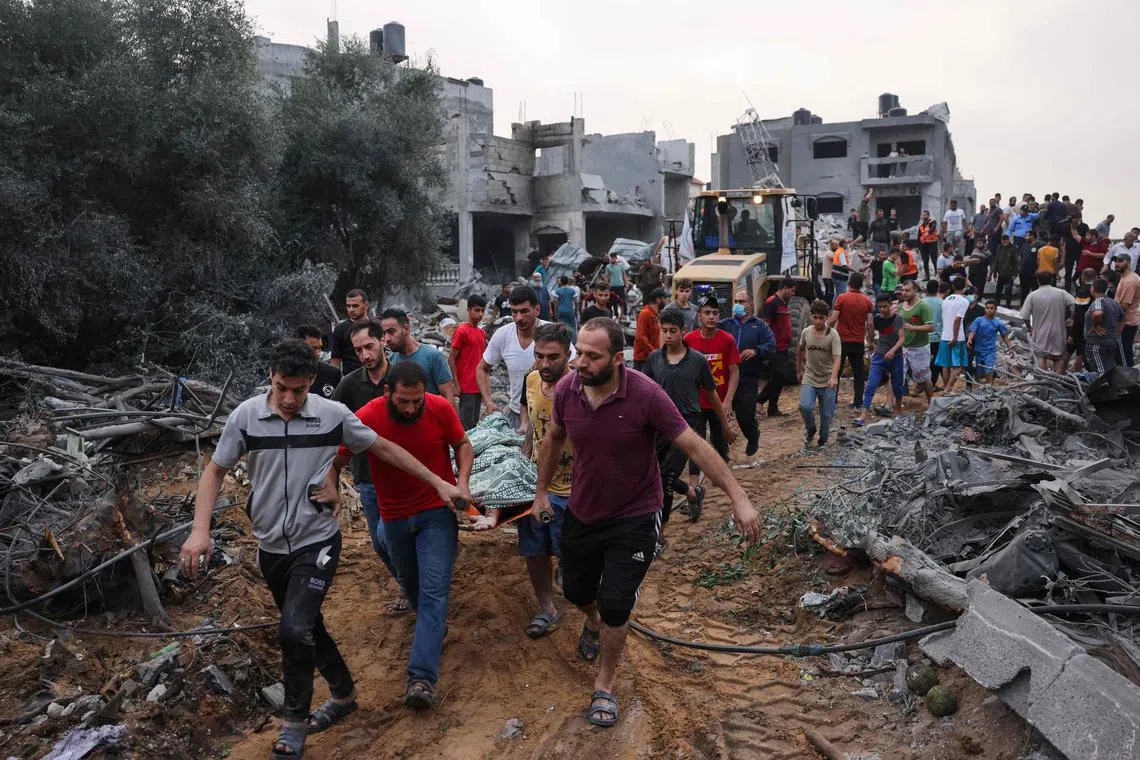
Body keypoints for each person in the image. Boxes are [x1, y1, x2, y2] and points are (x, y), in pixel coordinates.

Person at [179, 340, 460, 759]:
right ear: (270, 380)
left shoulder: (331, 415)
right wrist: (199, 531)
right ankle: (343, 693)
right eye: (281, 388)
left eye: (299, 389)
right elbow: (215, 470)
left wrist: (438, 482)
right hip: (271, 544)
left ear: (312, 382)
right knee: (305, 624)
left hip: (318, 540)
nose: (290, 399)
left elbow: (383, 447)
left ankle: (294, 721)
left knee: (294, 628)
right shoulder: (246, 417)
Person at [533, 317, 761, 729]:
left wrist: (739, 498)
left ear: (617, 359)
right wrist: (541, 492)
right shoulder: (567, 390)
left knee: (617, 603)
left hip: (636, 514)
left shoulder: (646, 395)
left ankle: (604, 685)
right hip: (584, 510)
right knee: (576, 589)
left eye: (591, 356)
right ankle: (594, 619)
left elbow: (694, 444)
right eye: (578, 353)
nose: (579, 363)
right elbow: (553, 437)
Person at [335, 362, 472, 712]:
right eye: (403, 402)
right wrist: (329, 485)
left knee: (433, 590)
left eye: (416, 401)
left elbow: (463, 444)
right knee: (411, 584)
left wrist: (462, 483)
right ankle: (433, 625)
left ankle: (421, 678)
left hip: (435, 513)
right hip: (393, 515)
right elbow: (337, 457)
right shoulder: (368, 415)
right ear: (387, 394)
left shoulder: (439, 408)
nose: (411, 408)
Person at [332, 321, 406, 614]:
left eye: (369, 346)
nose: (364, 355)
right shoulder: (350, 384)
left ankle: (409, 587)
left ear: (382, 342)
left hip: (404, 474)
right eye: (358, 350)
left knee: (393, 535)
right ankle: (407, 581)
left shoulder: (402, 377)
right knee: (379, 543)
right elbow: (331, 420)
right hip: (368, 476)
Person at [513, 323, 575, 638]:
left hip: (574, 488)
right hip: (538, 485)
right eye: (539, 356)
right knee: (535, 549)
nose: (545, 364)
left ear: (568, 354)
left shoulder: (580, 385)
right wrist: (523, 460)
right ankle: (546, 607)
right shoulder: (532, 380)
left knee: (572, 553)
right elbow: (533, 432)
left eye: (553, 357)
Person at [644, 309, 722, 530]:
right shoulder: (654, 358)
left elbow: (711, 394)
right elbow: (645, 390)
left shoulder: (696, 361)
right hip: (660, 425)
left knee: (666, 477)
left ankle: (660, 532)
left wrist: (724, 426)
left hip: (687, 425)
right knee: (656, 475)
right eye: (664, 330)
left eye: (673, 331)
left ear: (683, 331)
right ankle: (692, 492)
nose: (668, 335)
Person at [479, 285, 570, 430]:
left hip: (551, 412)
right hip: (516, 413)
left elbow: (576, 365)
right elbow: (482, 368)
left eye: (524, 311)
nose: (519, 318)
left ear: (537, 310)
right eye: (514, 312)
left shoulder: (553, 333)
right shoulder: (503, 335)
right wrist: (488, 401)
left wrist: (546, 364)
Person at [719, 289, 776, 456]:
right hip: (725, 379)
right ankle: (722, 454)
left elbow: (771, 346)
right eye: (736, 301)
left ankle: (752, 435)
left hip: (747, 379)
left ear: (750, 305)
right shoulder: (725, 325)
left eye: (742, 302)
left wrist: (756, 351)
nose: (738, 305)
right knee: (720, 418)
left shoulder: (759, 326)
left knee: (744, 416)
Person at [683, 294, 740, 462]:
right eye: (707, 313)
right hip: (696, 402)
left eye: (715, 313)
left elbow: (734, 371)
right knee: (697, 442)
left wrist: (728, 400)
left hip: (718, 401)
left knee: (720, 441)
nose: (711, 317)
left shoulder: (727, 339)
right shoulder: (689, 340)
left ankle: (722, 469)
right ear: (699, 315)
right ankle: (696, 480)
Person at [380, 309, 456, 405]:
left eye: (391, 332)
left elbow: (448, 396)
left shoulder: (433, 356)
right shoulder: (391, 360)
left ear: (406, 329)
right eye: (384, 333)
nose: (387, 338)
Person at [854, 294, 905, 426]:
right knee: (871, 385)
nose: (882, 309)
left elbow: (901, 339)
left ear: (890, 305)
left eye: (885, 306)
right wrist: (870, 341)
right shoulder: (877, 319)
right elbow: (869, 330)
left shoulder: (898, 319)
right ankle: (863, 414)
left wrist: (893, 351)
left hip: (896, 357)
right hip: (879, 356)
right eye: (880, 307)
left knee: (898, 387)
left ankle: (898, 411)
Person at [797, 300, 841, 449]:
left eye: (821, 318)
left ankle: (823, 440)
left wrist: (834, 377)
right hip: (810, 376)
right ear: (811, 316)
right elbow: (800, 349)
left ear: (827, 317)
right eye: (815, 317)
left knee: (826, 415)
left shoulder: (833, 335)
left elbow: (837, 358)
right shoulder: (806, 332)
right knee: (805, 406)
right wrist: (799, 369)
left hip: (828, 379)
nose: (818, 321)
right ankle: (810, 430)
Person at [829, 272, 874, 408]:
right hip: (858, 342)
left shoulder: (842, 298)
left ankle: (832, 400)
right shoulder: (867, 301)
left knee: (836, 370)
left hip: (841, 341)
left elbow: (834, 318)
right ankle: (858, 402)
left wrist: (826, 332)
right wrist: (870, 340)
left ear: (849, 283)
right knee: (859, 373)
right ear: (861, 285)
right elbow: (870, 323)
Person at [1021, 271, 1075, 373]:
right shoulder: (1061, 293)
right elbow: (1075, 305)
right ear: (1051, 280)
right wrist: (1071, 318)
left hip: (1040, 333)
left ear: (1038, 281)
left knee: (1041, 356)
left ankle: (1044, 381)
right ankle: (1057, 380)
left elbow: (1025, 316)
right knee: (1060, 357)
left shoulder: (1032, 295)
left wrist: (1030, 328)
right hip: (1058, 332)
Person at [757, 278, 796, 416]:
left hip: (783, 346)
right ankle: (760, 400)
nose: (792, 293)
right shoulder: (771, 303)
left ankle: (773, 408)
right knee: (778, 375)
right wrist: (765, 346)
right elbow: (765, 325)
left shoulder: (782, 303)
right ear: (785, 288)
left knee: (780, 377)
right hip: (775, 347)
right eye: (791, 291)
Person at [448, 296, 488, 430]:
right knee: (466, 426)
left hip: (478, 385)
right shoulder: (461, 331)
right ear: (468, 310)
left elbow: (483, 361)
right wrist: (456, 383)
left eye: (483, 310)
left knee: (475, 423)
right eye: (477, 310)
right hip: (466, 386)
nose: (480, 314)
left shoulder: (481, 333)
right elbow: (451, 358)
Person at [897, 279, 936, 401]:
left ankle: (932, 402)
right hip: (903, 347)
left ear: (915, 290)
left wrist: (913, 327)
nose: (904, 293)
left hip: (919, 348)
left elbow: (931, 327)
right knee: (897, 375)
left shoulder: (923, 306)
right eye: (902, 290)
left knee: (923, 378)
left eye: (907, 290)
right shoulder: (901, 306)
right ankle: (891, 405)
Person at [937, 277, 972, 390]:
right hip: (957, 337)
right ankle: (948, 389)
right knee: (959, 366)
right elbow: (957, 320)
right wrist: (955, 337)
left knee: (946, 364)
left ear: (953, 286)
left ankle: (947, 388)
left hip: (944, 335)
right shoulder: (964, 301)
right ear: (964, 287)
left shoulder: (945, 300)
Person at [1085, 278, 1124, 376]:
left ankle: (1106, 390)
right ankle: (1115, 389)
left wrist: (1096, 325)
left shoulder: (1098, 301)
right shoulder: (1113, 302)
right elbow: (1123, 318)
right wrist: (1116, 334)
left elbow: (1097, 313)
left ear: (1093, 288)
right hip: (1111, 342)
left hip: (1098, 344)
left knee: (1101, 373)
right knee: (1110, 369)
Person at [968, 300, 1011, 383]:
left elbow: (1004, 335)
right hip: (979, 350)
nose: (989, 310)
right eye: (987, 308)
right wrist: (970, 339)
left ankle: (989, 387)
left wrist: (1009, 345)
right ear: (985, 309)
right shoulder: (978, 320)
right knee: (980, 372)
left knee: (989, 370)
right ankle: (984, 383)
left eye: (992, 308)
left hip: (990, 350)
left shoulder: (998, 323)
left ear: (995, 309)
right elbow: (972, 331)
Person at [295, 324, 342, 399]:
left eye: (319, 348)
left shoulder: (333, 374)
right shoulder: (284, 374)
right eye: (313, 348)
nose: (318, 353)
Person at [329, 289, 370, 373]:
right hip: (351, 380)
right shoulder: (340, 329)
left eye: (355, 306)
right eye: (348, 306)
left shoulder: (377, 326)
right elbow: (335, 361)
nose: (351, 309)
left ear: (366, 305)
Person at [1113, 254, 1140, 367]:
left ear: (1128, 262)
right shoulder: (1127, 277)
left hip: (1125, 323)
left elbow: (1124, 306)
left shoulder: (1129, 281)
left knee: (1123, 356)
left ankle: (1128, 382)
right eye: (1116, 261)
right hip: (1127, 322)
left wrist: (1117, 327)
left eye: (1120, 261)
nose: (1117, 264)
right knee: (1124, 353)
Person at [632, 288, 667, 371]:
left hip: (652, 358)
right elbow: (640, 336)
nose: (666, 301)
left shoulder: (656, 315)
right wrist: (653, 352)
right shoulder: (645, 313)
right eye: (664, 298)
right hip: (643, 359)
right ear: (658, 300)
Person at [924, 281, 947, 390]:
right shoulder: (942, 302)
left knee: (924, 362)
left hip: (924, 337)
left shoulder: (921, 302)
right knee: (938, 361)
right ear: (938, 289)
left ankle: (922, 384)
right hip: (938, 336)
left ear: (926, 289)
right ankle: (932, 384)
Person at [993, 234, 1019, 308]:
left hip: (1010, 274)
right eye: (1003, 241)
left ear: (1008, 240)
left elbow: (1016, 262)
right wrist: (994, 273)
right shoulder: (999, 248)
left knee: (1008, 290)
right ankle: (996, 304)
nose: (1004, 243)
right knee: (998, 290)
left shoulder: (1013, 248)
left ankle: (1008, 304)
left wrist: (1015, 274)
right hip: (1000, 273)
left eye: (1006, 241)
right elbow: (996, 261)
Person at [1018, 231, 1042, 302]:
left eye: (1027, 236)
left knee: (1035, 289)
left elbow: (1041, 258)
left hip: (1034, 272)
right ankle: (1023, 305)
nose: (1025, 238)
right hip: (1023, 271)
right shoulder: (1024, 245)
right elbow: (1020, 256)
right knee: (1024, 290)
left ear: (1032, 236)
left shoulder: (1040, 245)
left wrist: (1038, 269)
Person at [605, 253, 630, 318]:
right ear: (610, 258)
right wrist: (606, 285)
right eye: (612, 258)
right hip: (612, 285)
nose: (613, 259)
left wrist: (626, 283)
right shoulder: (608, 266)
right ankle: (616, 313)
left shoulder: (621, 265)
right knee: (614, 300)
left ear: (616, 258)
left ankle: (624, 313)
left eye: (614, 258)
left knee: (622, 299)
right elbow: (607, 277)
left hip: (621, 285)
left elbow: (624, 275)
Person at [919, 211, 940, 279]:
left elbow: (933, 229)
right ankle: (927, 275)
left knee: (934, 259)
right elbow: (919, 236)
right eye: (923, 215)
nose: (923, 216)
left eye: (925, 215)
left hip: (932, 243)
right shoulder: (921, 226)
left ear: (928, 215)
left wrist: (928, 233)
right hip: (924, 245)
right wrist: (919, 246)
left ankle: (937, 273)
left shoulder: (932, 222)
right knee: (925, 260)